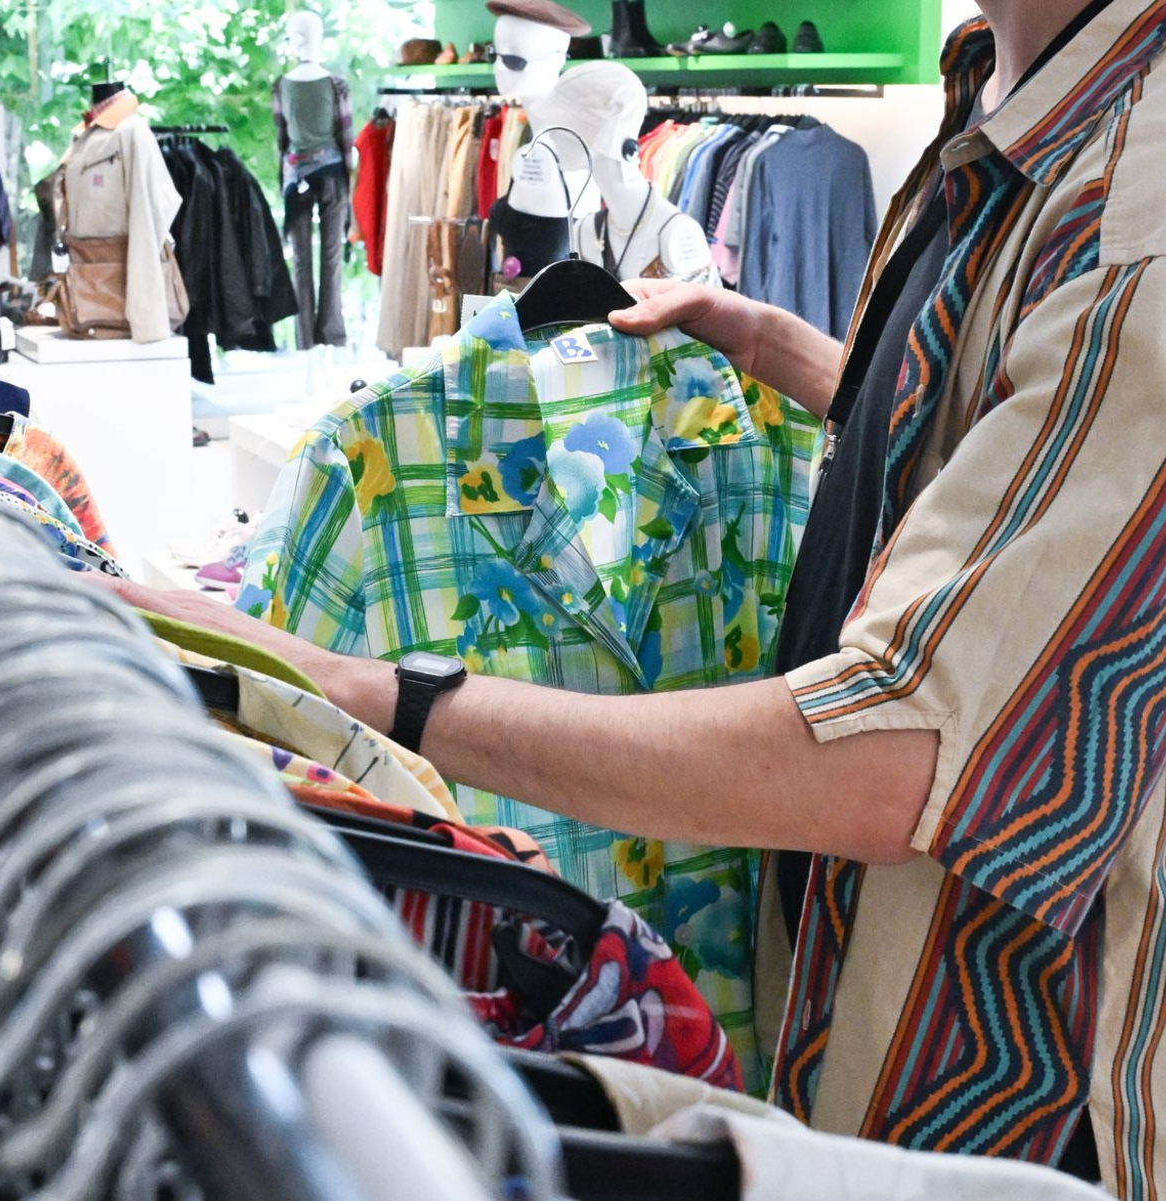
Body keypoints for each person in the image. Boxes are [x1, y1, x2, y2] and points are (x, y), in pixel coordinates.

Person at [97, 0, 1166, 1193]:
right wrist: (774, 343)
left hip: (1007, 1081)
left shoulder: (1138, 212)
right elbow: (979, 449)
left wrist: (382, 693)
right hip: (819, 1018)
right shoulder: (1010, 101)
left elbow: (908, 750)